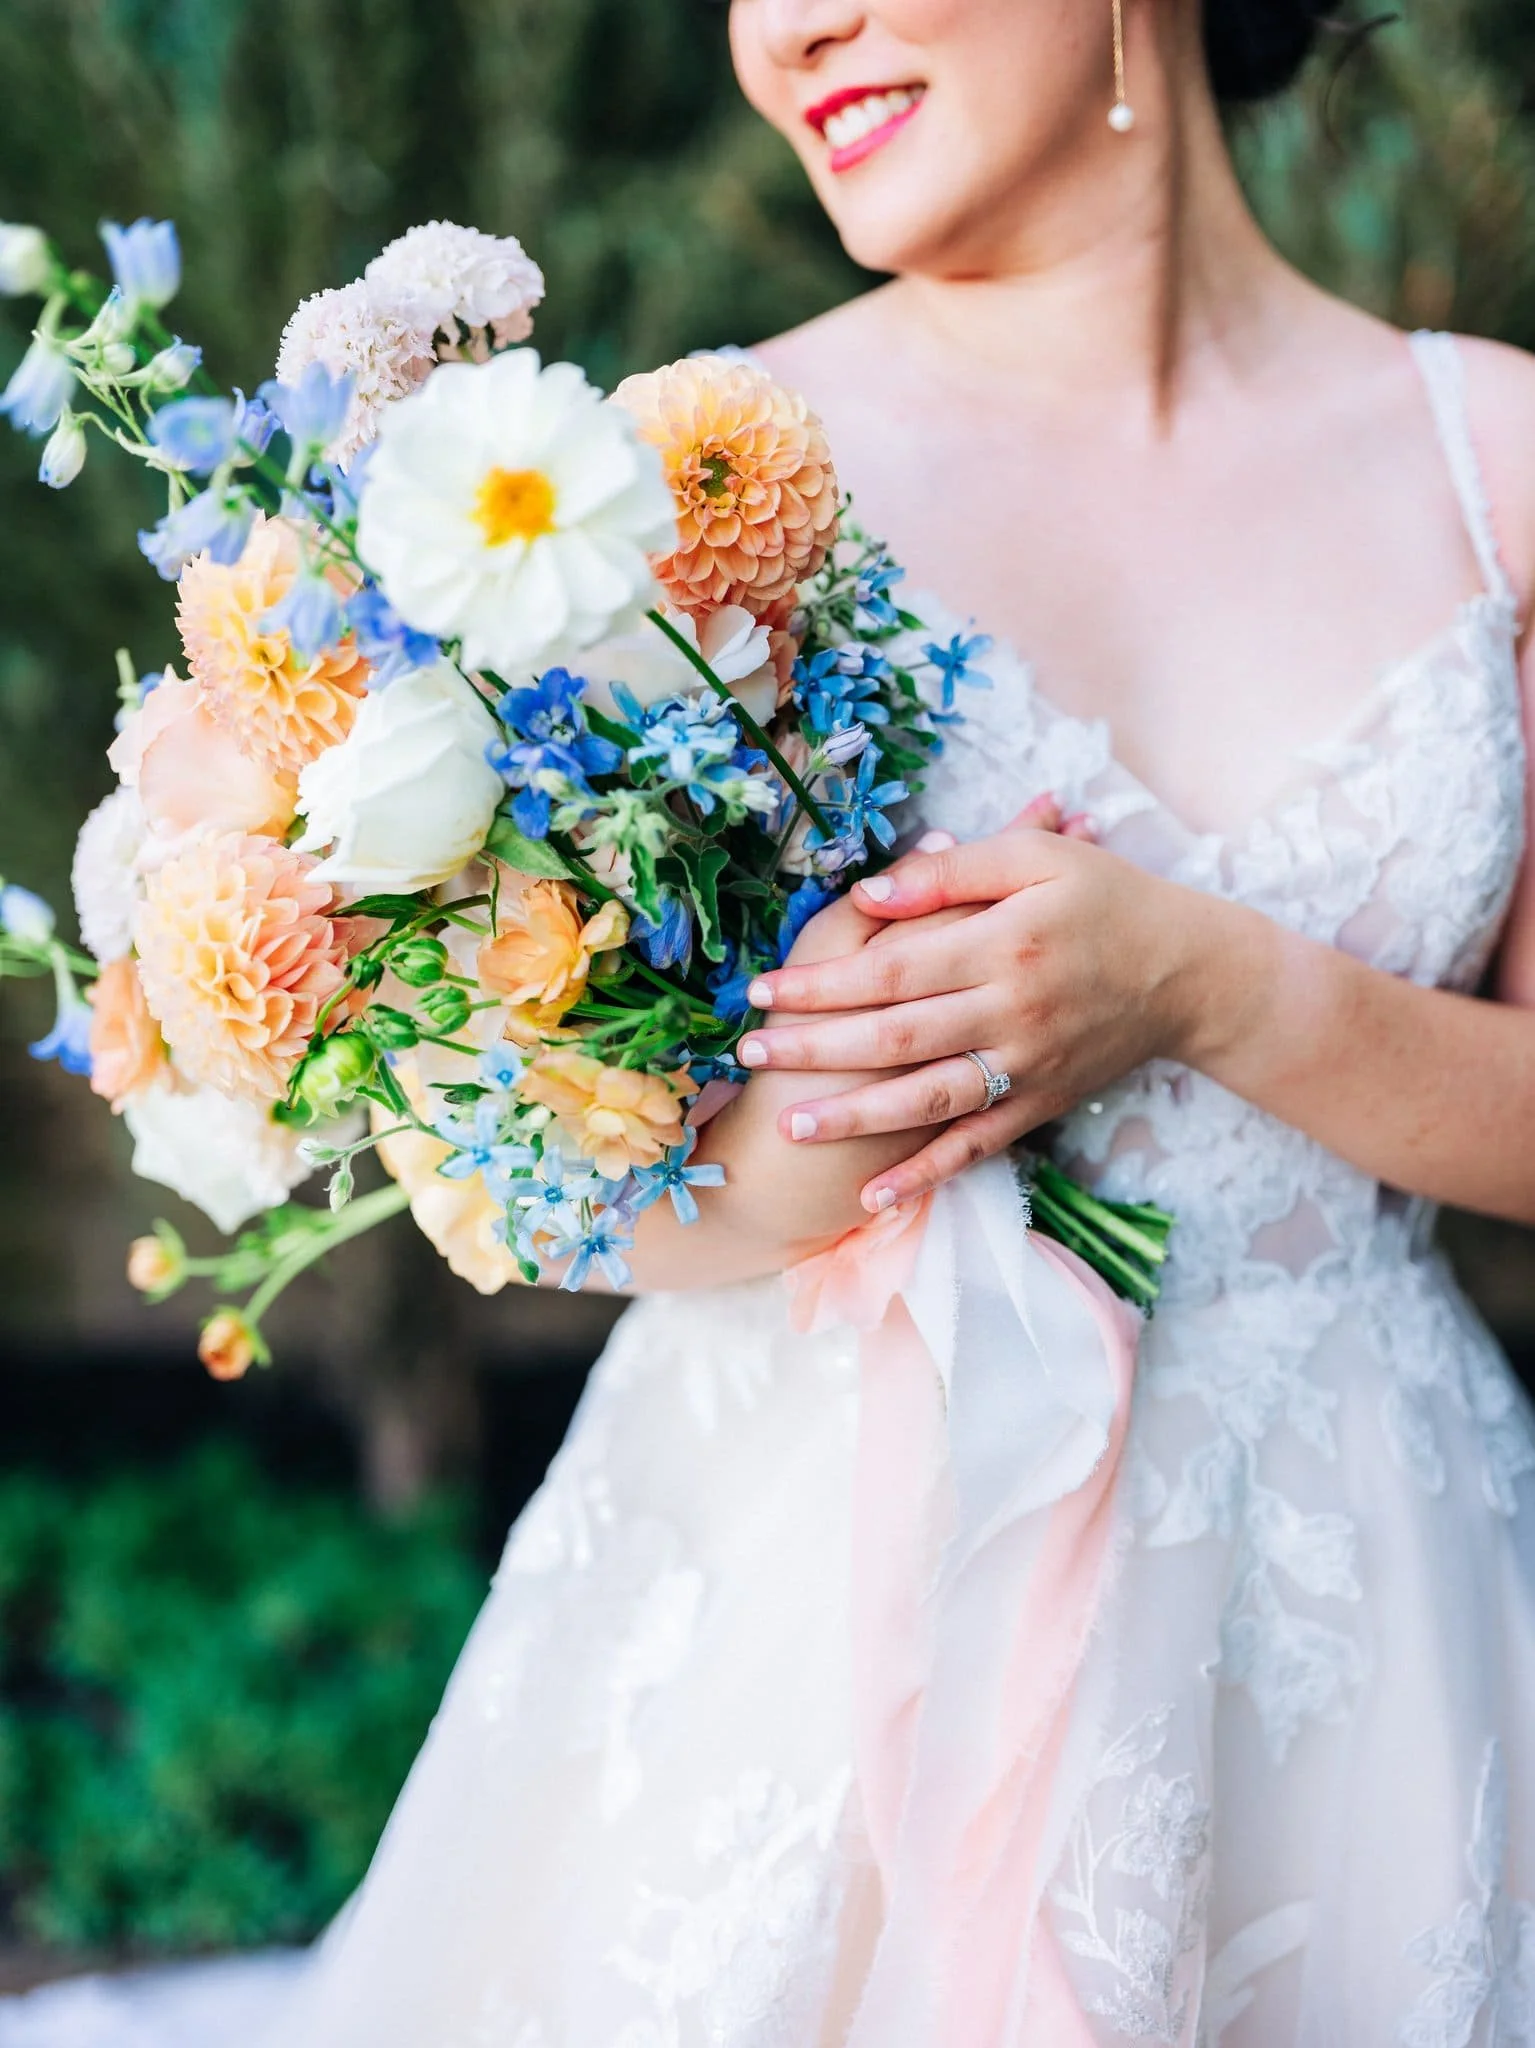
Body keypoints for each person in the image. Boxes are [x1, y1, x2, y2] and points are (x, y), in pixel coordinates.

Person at [6, 0, 1535, 2041]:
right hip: (821, 1623)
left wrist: (1206, 983)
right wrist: (900, 1095)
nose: (785, 29)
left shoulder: (1491, 464)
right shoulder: (668, 483)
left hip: (1372, 1628)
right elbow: (568, 1193)